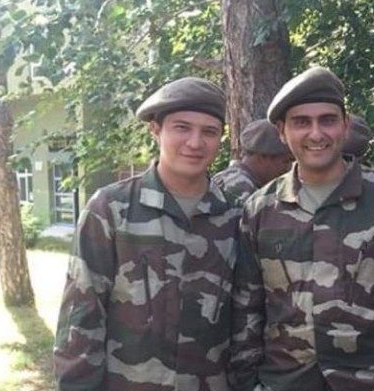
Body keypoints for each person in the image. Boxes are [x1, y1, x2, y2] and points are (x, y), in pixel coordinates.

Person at [231, 67, 374, 391]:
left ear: (345, 125)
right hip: (286, 382)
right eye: (301, 122)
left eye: (327, 120)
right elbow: (246, 307)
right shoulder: (261, 209)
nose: (316, 134)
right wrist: (248, 382)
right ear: (281, 132)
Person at [53, 77, 241, 390]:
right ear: (155, 130)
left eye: (209, 131)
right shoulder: (112, 209)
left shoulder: (236, 214)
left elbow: (246, 319)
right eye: (182, 128)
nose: (195, 142)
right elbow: (81, 315)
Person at [213, 119, 293, 205]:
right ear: (263, 157)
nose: (289, 168)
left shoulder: (226, 177)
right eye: (286, 161)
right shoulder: (243, 191)